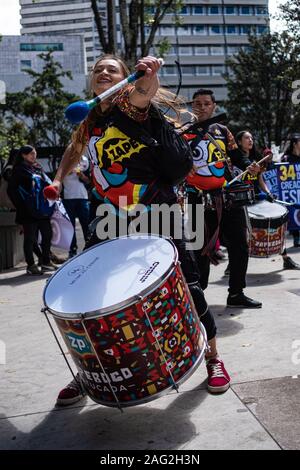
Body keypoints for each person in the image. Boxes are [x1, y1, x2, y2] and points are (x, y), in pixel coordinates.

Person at [49, 55, 230, 405]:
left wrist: (149, 75)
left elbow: (144, 93)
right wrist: (57, 179)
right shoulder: (89, 120)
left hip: (156, 209)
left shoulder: (131, 105)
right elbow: (75, 149)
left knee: (187, 287)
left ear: (124, 79)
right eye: (98, 69)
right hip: (109, 216)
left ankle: (212, 356)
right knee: (93, 295)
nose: (103, 72)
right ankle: (91, 373)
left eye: (111, 69)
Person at [185, 89, 262, 308]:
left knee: (239, 245)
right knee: (200, 249)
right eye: (197, 103)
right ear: (192, 106)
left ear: (214, 106)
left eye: (206, 103)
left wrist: (250, 166)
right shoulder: (183, 132)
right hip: (197, 199)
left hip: (226, 196)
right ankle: (199, 297)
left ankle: (236, 293)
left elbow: (238, 157)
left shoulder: (223, 131)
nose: (202, 107)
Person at [236, 131, 300, 270]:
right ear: (239, 142)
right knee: (240, 233)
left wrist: (268, 193)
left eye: (252, 138)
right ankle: (232, 264)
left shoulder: (255, 158)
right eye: (247, 138)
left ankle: (285, 258)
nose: (250, 140)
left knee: (275, 224)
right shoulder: (235, 159)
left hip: (256, 197)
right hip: (240, 200)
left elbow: (260, 180)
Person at [7, 145, 57, 275]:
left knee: (47, 234)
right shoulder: (18, 170)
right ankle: (31, 265)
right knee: (30, 238)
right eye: (31, 154)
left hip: (41, 208)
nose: (34, 156)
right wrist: (21, 205)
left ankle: (46, 262)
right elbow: (11, 190)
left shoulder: (37, 168)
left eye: (34, 153)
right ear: (23, 155)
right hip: (27, 210)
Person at [62, 154, 90, 258]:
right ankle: (72, 250)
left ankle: (89, 247)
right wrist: (71, 169)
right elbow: (61, 175)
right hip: (68, 197)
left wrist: (81, 175)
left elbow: (88, 181)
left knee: (86, 223)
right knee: (70, 225)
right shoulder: (65, 160)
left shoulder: (85, 161)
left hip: (82, 197)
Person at [282, 133, 300, 247]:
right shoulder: (286, 158)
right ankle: (296, 236)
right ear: (294, 144)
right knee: (294, 211)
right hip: (292, 191)